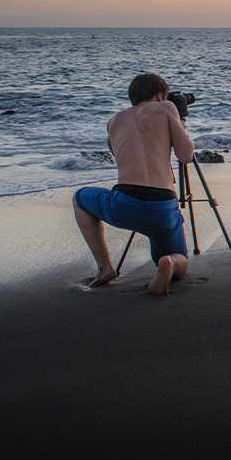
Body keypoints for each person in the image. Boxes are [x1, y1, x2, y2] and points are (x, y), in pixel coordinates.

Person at [73, 73, 195, 295]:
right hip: (163, 208)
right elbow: (185, 156)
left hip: (125, 205)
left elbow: (124, 159)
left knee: (79, 198)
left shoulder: (114, 121)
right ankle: (170, 263)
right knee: (179, 258)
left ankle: (105, 268)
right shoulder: (167, 108)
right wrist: (180, 126)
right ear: (160, 94)